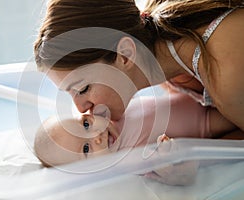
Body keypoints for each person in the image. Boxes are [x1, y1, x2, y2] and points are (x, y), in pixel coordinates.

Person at [34, 0, 244, 135]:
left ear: (125, 54)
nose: (81, 108)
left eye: (82, 89)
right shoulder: (168, 60)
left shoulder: (226, 74)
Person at [34, 92, 235, 168]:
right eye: (86, 149)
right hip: (206, 122)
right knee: (234, 114)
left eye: (86, 125)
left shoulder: (108, 111)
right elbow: (181, 176)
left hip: (195, 93)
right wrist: (166, 165)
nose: (96, 136)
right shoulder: (128, 157)